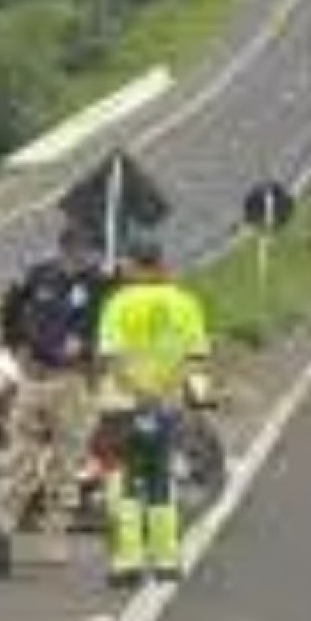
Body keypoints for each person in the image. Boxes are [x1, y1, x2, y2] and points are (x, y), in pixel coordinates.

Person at [94, 234, 213, 588]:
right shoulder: (185, 303)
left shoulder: (119, 303)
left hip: (122, 405)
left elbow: (110, 358)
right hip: (168, 405)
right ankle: (166, 559)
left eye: (126, 263)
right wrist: (162, 390)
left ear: (135, 265)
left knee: (123, 480)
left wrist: (138, 391)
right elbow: (197, 358)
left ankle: (128, 560)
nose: (123, 268)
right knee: (161, 478)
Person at [0, 223, 107, 565]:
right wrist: (16, 349)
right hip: (35, 376)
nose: (82, 257)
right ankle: (1, 528)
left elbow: (112, 323)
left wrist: (95, 358)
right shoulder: (39, 276)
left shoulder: (100, 283)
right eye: (76, 250)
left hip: (73, 379)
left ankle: (55, 535)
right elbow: (10, 308)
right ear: (64, 250)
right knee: (17, 456)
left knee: (67, 461)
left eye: (87, 251)